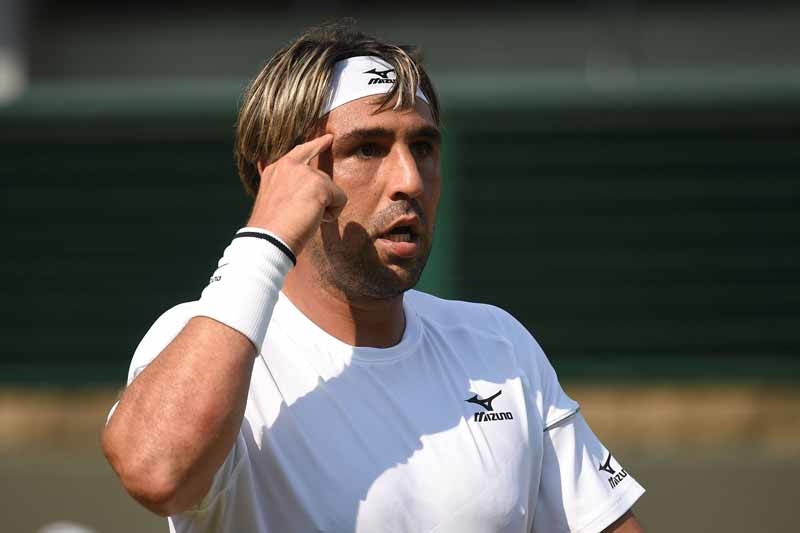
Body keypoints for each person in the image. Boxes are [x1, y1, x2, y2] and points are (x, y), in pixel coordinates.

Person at [102, 22, 646, 533]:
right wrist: (266, 235)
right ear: (284, 177)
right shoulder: (205, 345)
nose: (410, 180)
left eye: (423, 147)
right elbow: (157, 473)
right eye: (367, 148)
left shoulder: (498, 345)